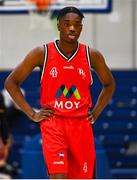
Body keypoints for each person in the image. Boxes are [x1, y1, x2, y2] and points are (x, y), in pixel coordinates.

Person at [4, 6, 115, 179]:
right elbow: (11, 83)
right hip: (54, 125)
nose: (72, 28)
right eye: (67, 23)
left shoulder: (92, 55)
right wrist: (32, 114)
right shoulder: (41, 53)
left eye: (77, 24)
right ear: (58, 25)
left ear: (81, 28)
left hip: (81, 126)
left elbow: (109, 85)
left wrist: (97, 111)